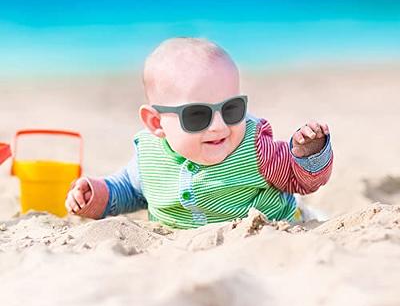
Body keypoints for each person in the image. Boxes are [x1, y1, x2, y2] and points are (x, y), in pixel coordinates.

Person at [65, 37, 333, 228]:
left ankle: (310, 213)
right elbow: (130, 191)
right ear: (156, 123)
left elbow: (303, 180)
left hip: (274, 228)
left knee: (304, 212)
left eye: (231, 109)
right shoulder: (149, 156)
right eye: (197, 115)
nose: (219, 125)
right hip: (183, 244)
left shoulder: (255, 148)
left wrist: (308, 154)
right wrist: (95, 196)